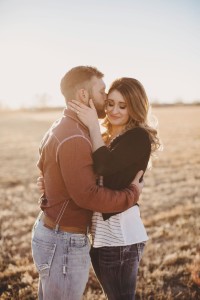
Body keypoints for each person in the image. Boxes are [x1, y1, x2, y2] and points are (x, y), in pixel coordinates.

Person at [31, 66, 144, 300]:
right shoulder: (76, 135)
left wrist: (51, 185)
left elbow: (43, 162)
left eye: (121, 105)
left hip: (60, 234)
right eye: (103, 93)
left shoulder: (68, 126)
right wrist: (132, 194)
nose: (106, 100)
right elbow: (89, 196)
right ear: (84, 95)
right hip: (63, 241)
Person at [68, 77, 161, 300]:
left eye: (123, 105)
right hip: (101, 238)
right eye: (110, 103)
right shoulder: (109, 138)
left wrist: (92, 125)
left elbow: (104, 165)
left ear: (135, 107)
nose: (114, 110)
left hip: (121, 239)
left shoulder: (138, 137)